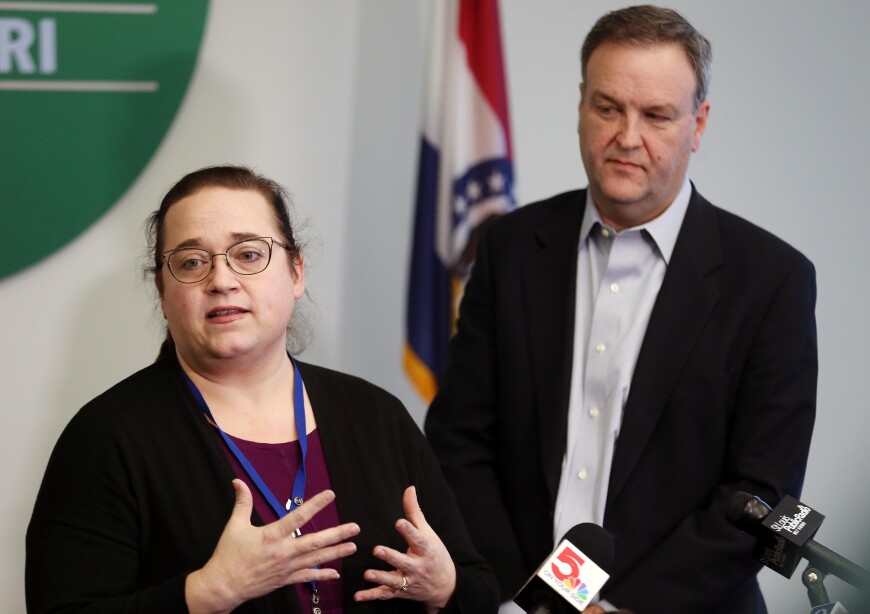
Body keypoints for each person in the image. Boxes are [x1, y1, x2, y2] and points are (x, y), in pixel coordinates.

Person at [425, 5, 817, 613]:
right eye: (608, 108)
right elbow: (460, 442)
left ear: (699, 123)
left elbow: (760, 499)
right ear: (580, 105)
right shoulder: (509, 247)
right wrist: (535, 598)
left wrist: (607, 608)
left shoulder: (772, 281)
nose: (627, 137)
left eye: (657, 115)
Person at [26, 165, 499, 613]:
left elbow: (477, 585)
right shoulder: (106, 437)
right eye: (191, 262)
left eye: (248, 254)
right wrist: (206, 593)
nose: (222, 280)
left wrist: (445, 587)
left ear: (296, 272)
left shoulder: (376, 414)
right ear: (162, 293)